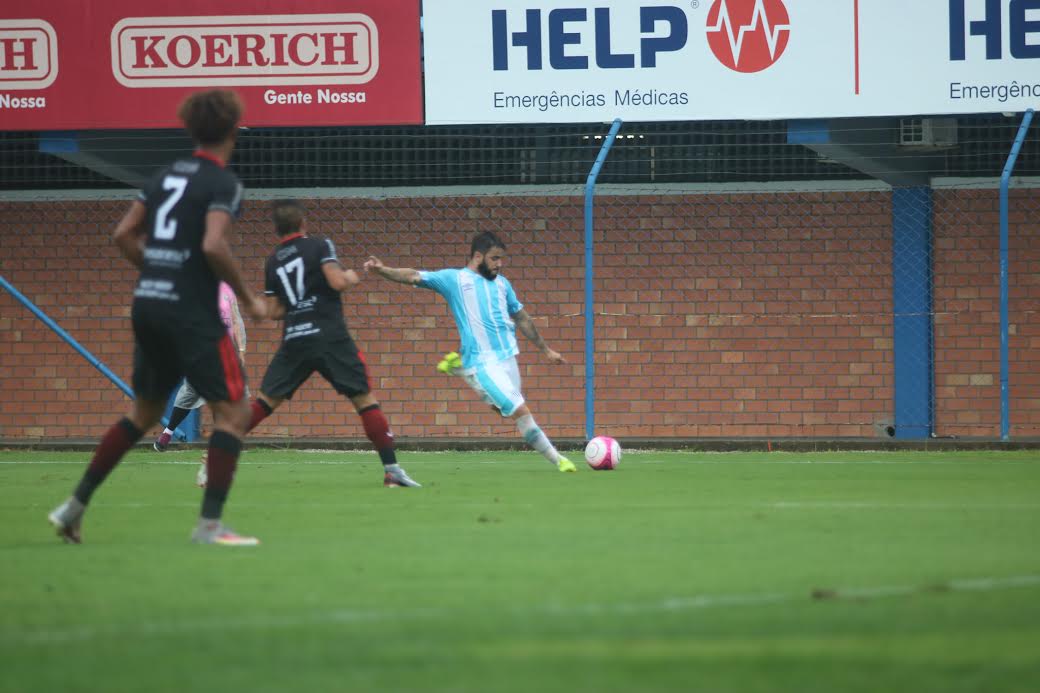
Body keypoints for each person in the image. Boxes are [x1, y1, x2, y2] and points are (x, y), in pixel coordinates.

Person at [47, 89, 266, 546]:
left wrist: (158, 272)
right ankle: (209, 526)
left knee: (142, 412)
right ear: (232, 131)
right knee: (235, 411)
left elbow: (124, 234)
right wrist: (249, 298)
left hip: (148, 303)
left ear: (191, 129)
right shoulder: (223, 183)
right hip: (191, 310)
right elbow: (212, 245)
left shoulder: (164, 176)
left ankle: (73, 507)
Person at [242, 199, 421, 488]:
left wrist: (264, 306)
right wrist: (351, 276)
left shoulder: (273, 259)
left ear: (277, 229)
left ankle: (214, 456)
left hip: (295, 337)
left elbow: (275, 312)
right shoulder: (319, 245)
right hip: (328, 334)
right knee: (364, 399)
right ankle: (392, 471)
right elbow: (336, 282)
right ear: (303, 223)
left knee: (264, 402)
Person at [364, 232, 576, 473]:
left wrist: (546, 350)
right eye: (495, 258)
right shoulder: (455, 279)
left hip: (508, 357)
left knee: (505, 412)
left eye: (501, 259)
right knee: (520, 411)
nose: (499, 264)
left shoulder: (503, 284)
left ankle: (462, 371)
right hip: (482, 361)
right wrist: (382, 269)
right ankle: (559, 460)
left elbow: (522, 317)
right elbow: (413, 275)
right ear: (478, 256)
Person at [152, 281, 247, 457]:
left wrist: (241, 349)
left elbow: (236, 320)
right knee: (190, 392)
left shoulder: (227, 289)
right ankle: (169, 431)